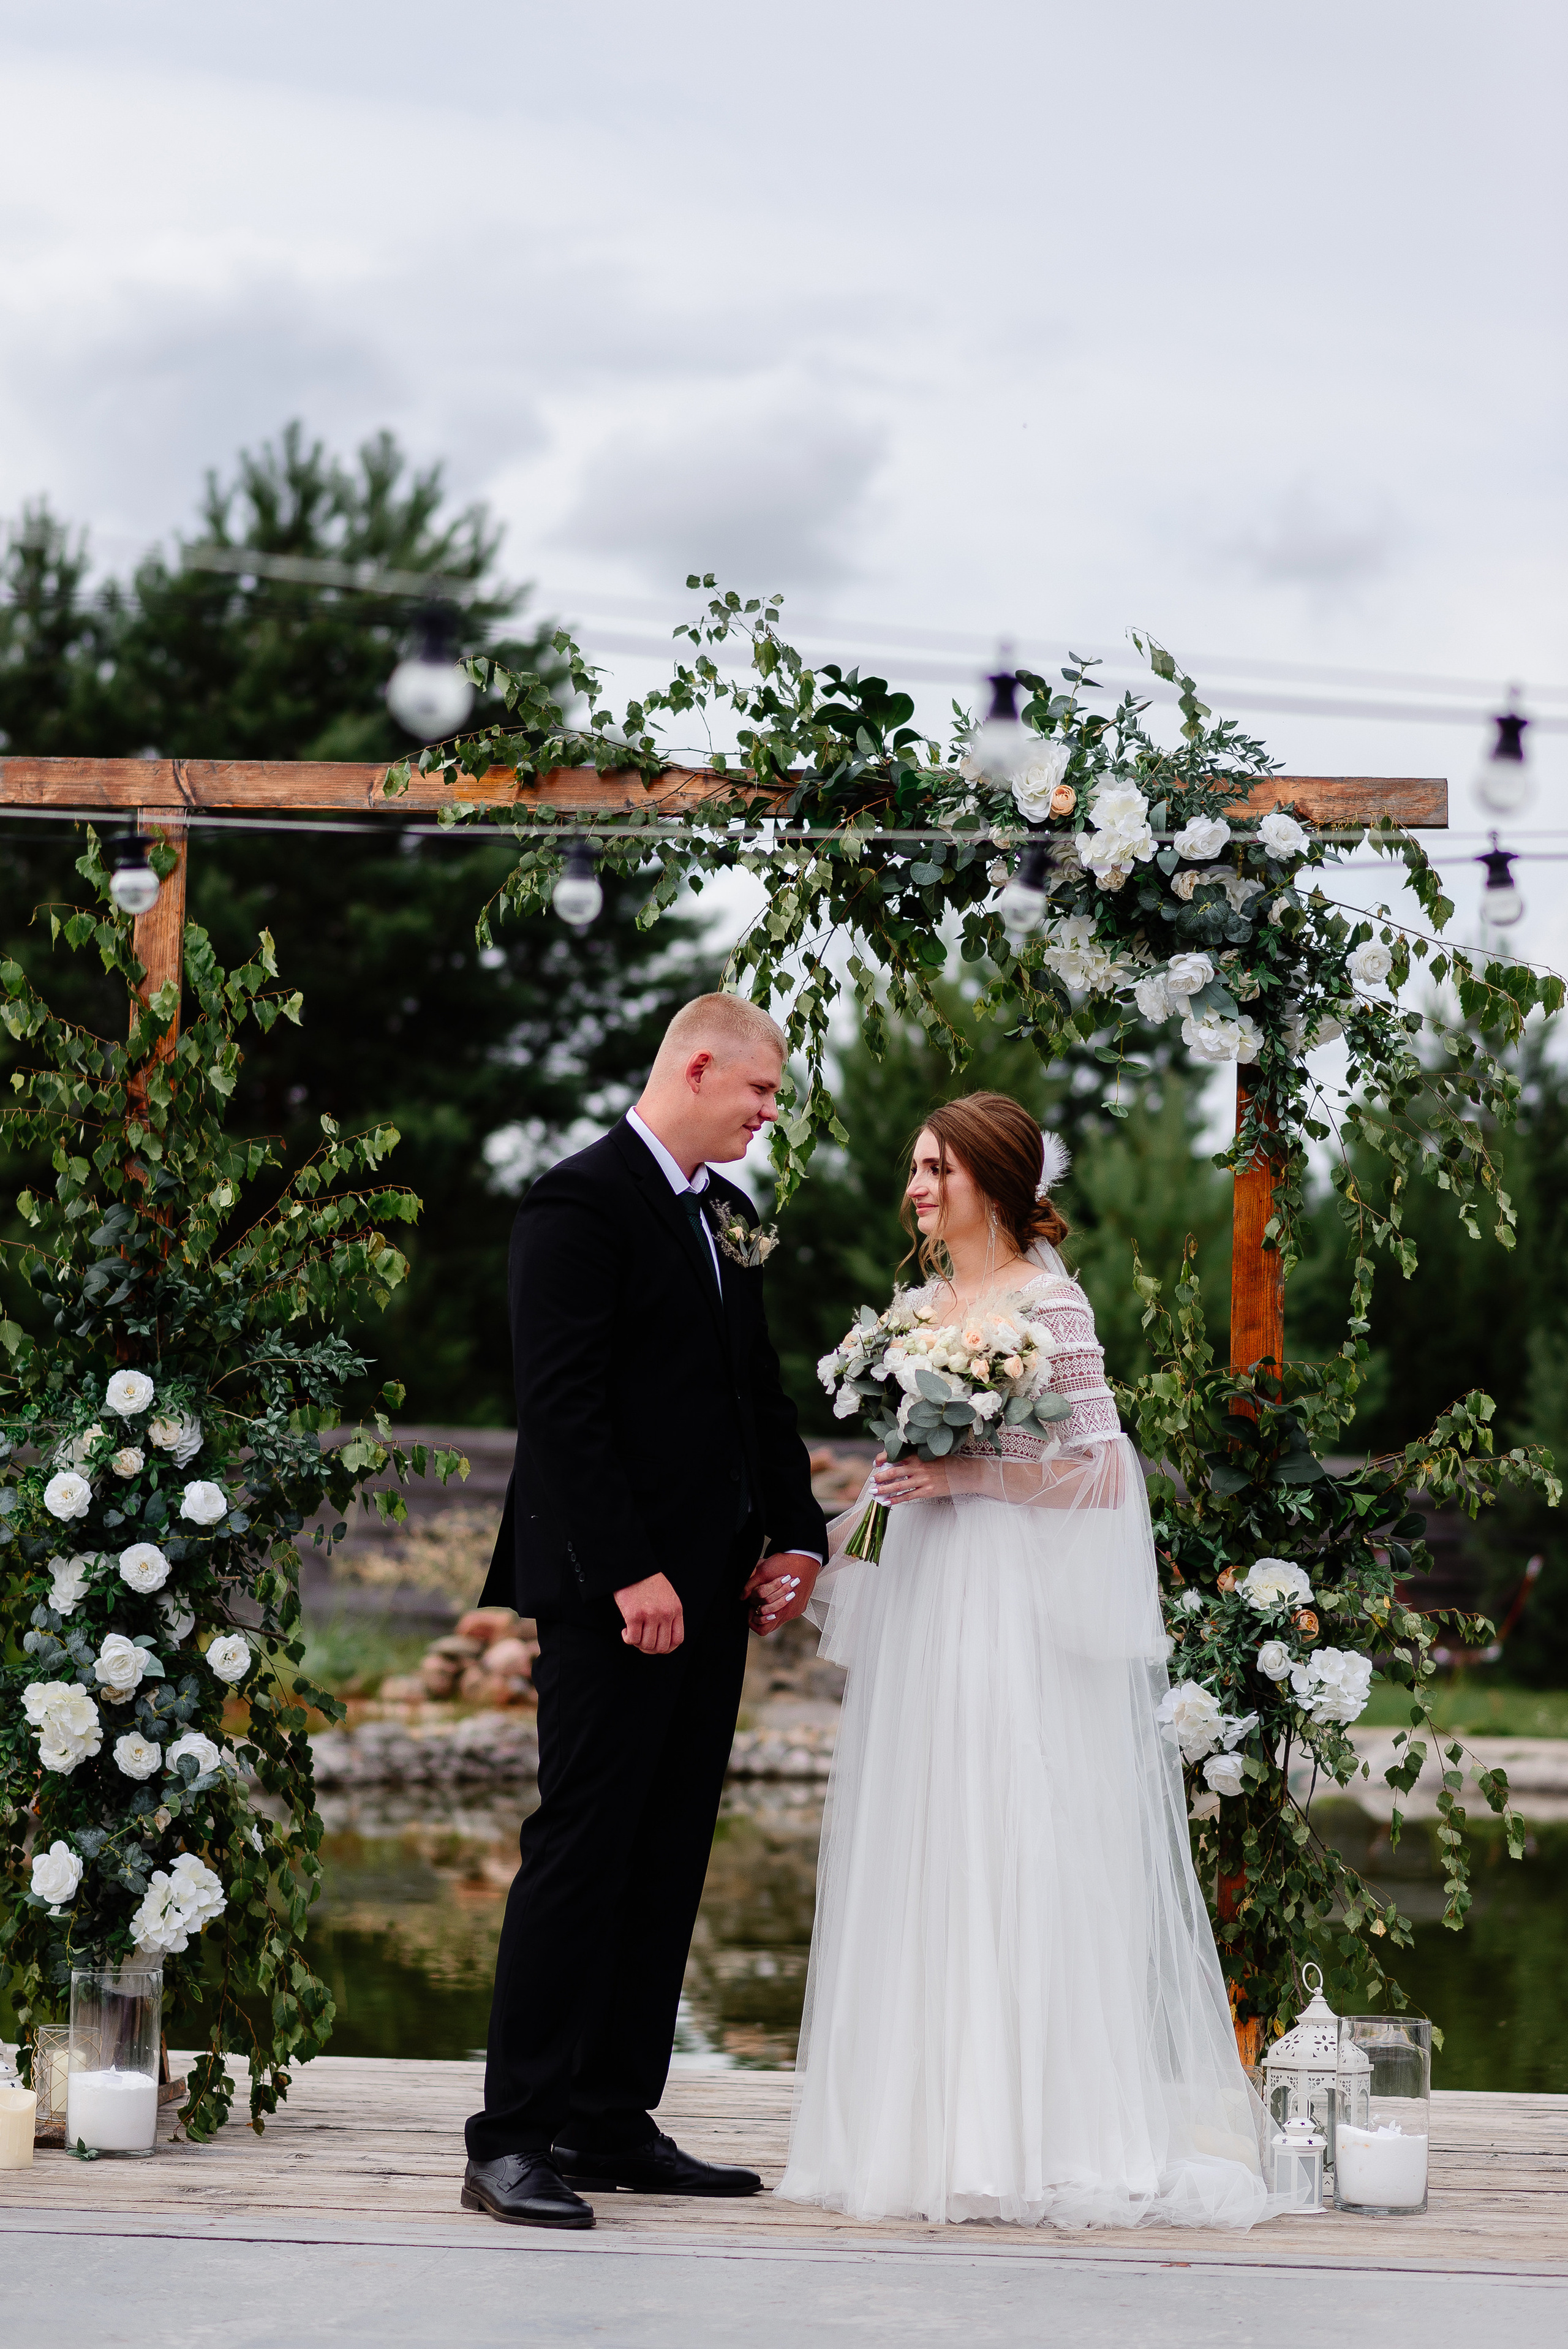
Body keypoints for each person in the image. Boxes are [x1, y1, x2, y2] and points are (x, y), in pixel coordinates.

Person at [778, 1092, 1275, 2230]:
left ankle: (1035, 2134)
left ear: (994, 1183)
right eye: (915, 1167)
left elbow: (1103, 1473)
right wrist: (827, 1547)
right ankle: (926, 2134)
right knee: (927, 1833)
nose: (917, 1187)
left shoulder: (1052, 1305)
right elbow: (903, 1473)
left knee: (1009, 1828)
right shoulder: (917, 1311)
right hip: (928, 1597)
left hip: (1010, 1603)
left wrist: (968, 1477)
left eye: (936, 1168)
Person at [462, 993, 827, 2229]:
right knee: (580, 1851)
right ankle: (511, 2139)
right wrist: (628, 1571)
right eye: (761, 1091)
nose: (768, 1112)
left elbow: (756, 1394)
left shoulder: (727, 1215)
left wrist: (798, 1534)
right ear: (699, 1064)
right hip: (611, 1595)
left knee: (667, 1856)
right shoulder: (576, 1202)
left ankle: (609, 2119)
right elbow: (559, 1406)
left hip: (713, 1590)